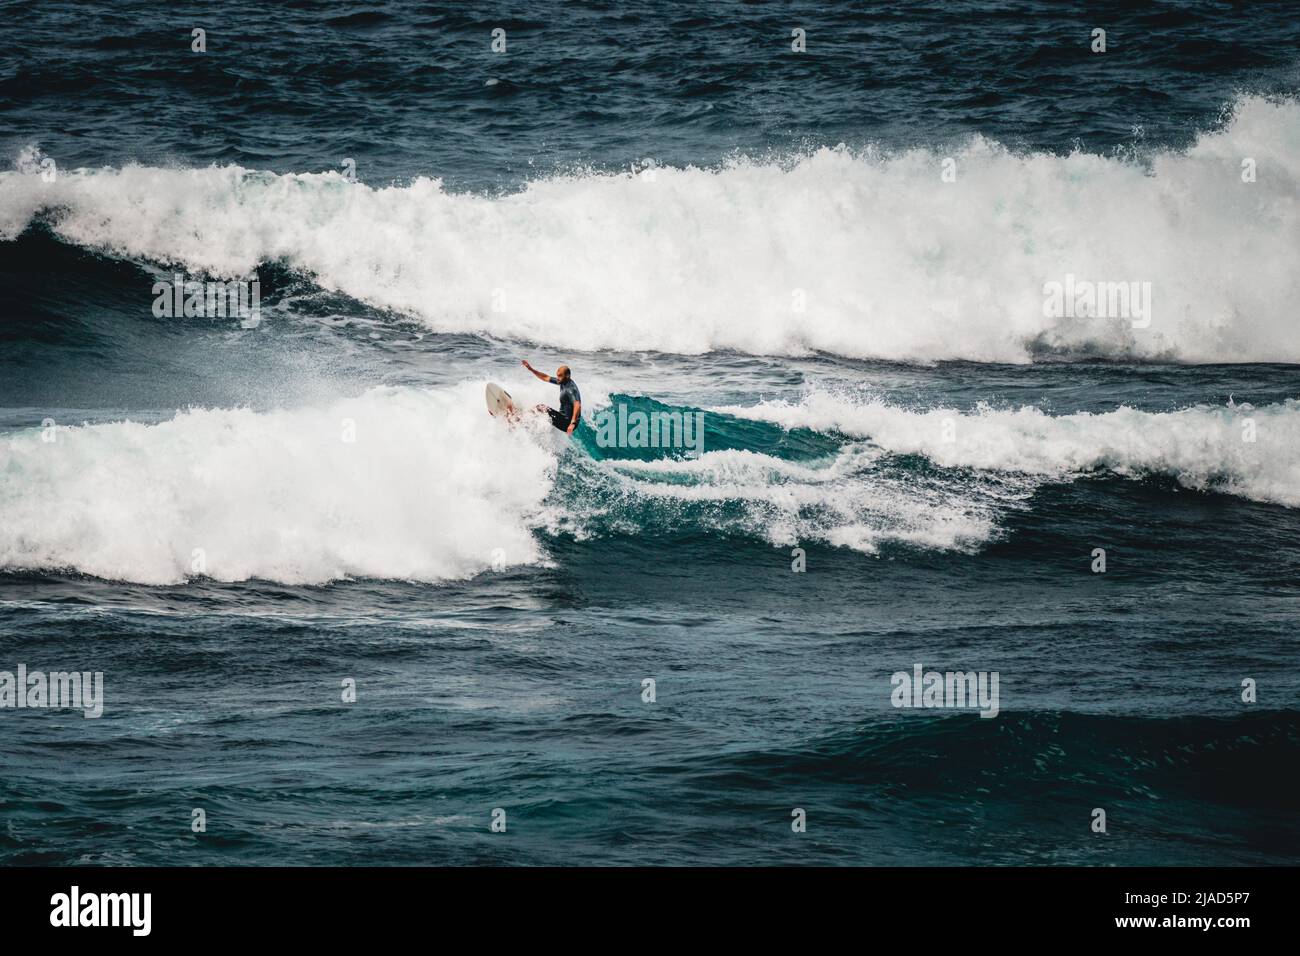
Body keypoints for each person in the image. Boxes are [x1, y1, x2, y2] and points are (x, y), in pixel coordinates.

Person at [522, 359, 582, 435]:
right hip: (563, 418)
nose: (558, 378)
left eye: (560, 376)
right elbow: (545, 377)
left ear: (567, 375)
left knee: (541, 407)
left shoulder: (571, 389)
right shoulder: (563, 381)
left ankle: (521, 419)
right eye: (557, 375)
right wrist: (531, 369)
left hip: (567, 423)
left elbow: (577, 404)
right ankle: (527, 426)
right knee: (541, 413)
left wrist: (572, 423)